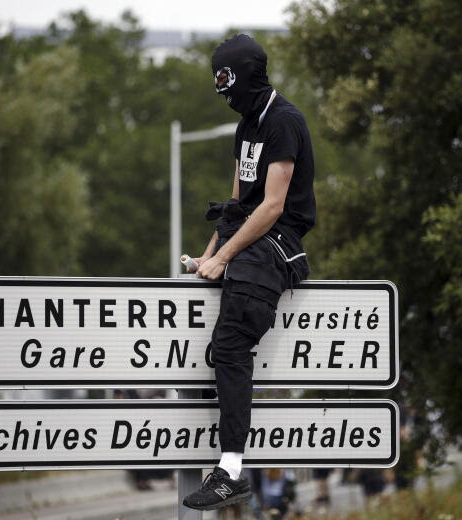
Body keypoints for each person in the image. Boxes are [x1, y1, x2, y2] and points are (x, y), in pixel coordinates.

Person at [182, 33, 316, 511]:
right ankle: (207, 439)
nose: (224, 95)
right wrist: (207, 257)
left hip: (279, 241)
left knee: (233, 344)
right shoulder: (246, 129)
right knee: (220, 349)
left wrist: (226, 258)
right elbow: (240, 207)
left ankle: (232, 470)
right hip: (251, 236)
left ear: (244, 75)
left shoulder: (284, 121)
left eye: (227, 82)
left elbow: (273, 206)